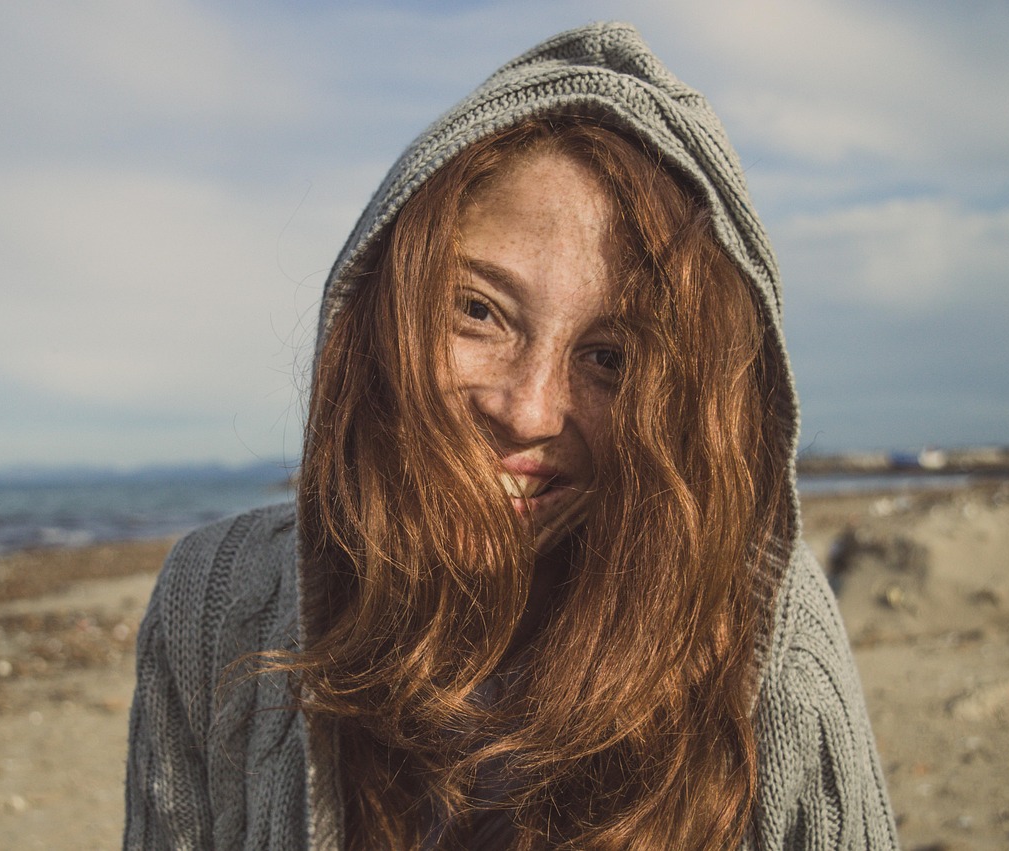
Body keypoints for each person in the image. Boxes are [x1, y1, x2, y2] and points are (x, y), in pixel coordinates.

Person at [123, 22, 899, 851]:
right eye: (480, 311)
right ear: (386, 304)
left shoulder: (758, 633)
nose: (528, 410)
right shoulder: (214, 603)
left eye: (610, 358)